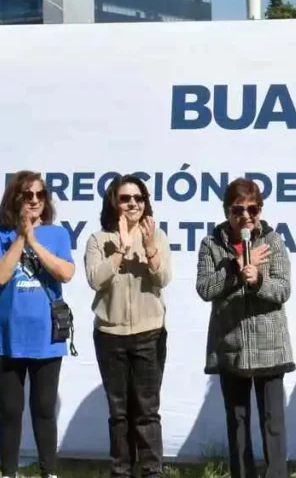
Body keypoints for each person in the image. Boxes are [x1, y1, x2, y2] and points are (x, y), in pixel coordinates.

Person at [195, 177, 294, 478]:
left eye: (253, 209)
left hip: (270, 347)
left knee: (272, 422)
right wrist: (235, 270)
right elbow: (204, 289)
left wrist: (258, 281)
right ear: (227, 211)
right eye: (238, 210)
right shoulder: (211, 245)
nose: (246, 217)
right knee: (237, 421)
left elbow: (282, 290)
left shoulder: (273, 241)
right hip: (231, 346)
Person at [0, 170, 76, 478]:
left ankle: (48, 471)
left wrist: (34, 240)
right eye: (27, 195)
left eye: (40, 195)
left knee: (44, 409)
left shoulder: (58, 234)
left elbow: (65, 273)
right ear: (15, 198)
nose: (34, 200)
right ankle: (8, 472)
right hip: (6, 334)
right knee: (10, 411)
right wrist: (21, 236)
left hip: (46, 334)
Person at [84, 174, 173, 478]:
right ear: (114, 202)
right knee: (119, 414)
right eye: (125, 198)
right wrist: (120, 250)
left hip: (149, 333)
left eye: (139, 198)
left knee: (147, 412)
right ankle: (121, 472)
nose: (133, 203)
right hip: (110, 335)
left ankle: (151, 472)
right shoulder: (98, 240)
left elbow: (163, 279)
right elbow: (95, 279)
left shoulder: (156, 235)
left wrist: (149, 249)